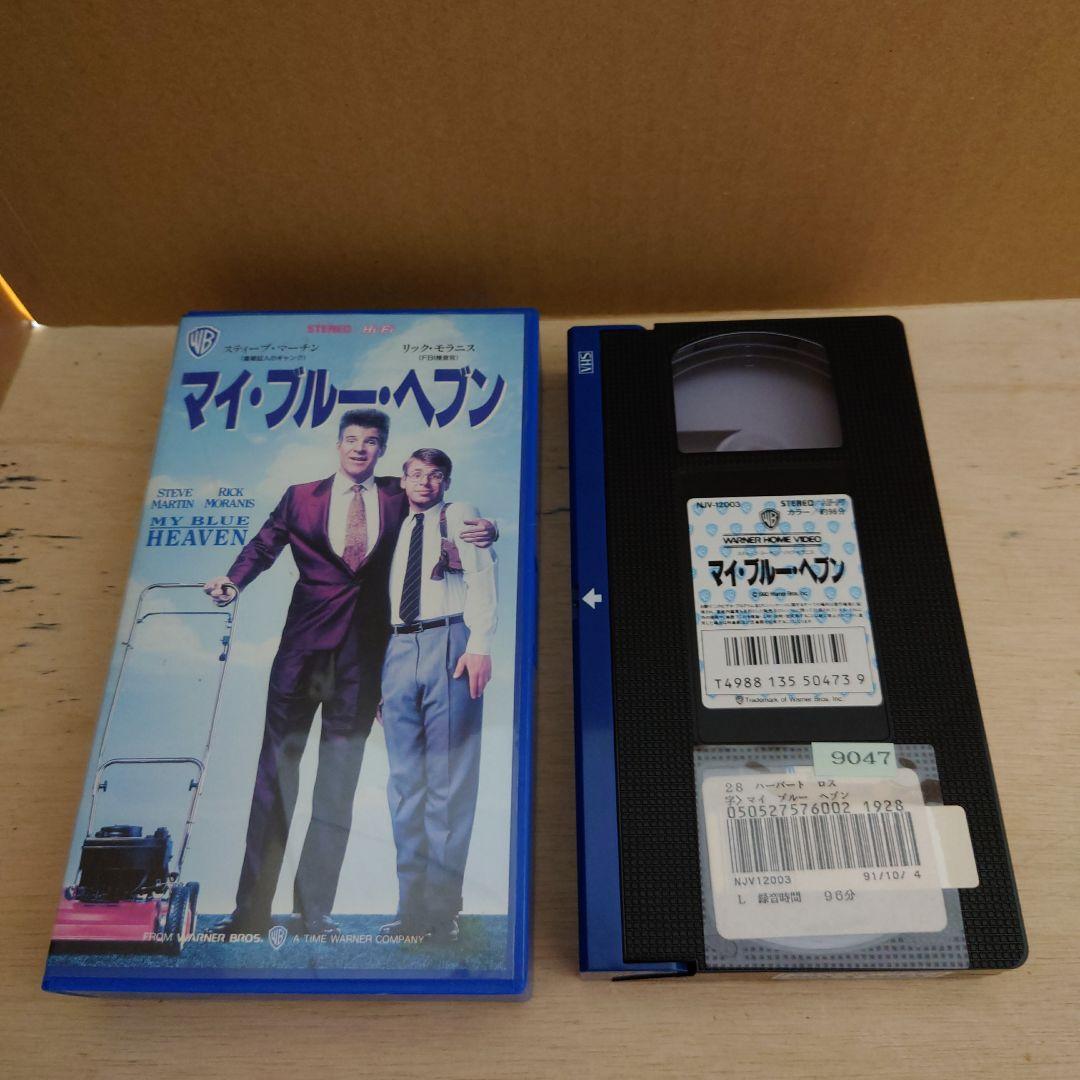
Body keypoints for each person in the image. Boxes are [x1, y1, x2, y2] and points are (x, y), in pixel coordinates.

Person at [203, 410, 495, 937]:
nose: (361, 448)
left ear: (382, 451)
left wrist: (489, 530)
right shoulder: (300, 497)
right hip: (300, 657)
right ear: (338, 445)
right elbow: (265, 545)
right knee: (275, 778)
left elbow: (446, 511)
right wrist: (233, 580)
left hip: (363, 664)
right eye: (353, 440)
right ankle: (250, 912)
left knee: (337, 787)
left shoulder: (399, 493)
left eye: (372, 441)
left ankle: (313, 914)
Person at [378, 448, 497, 944]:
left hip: (450, 640)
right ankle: (409, 912)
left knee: (448, 783)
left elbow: (482, 575)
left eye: (435, 475)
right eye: (416, 474)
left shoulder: (459, 513)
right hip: (395, 647)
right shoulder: (391, 523)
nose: (425, 482)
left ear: (446, 481)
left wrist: (479, 645)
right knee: (405, 786)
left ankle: (441, 912)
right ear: (402, 480)